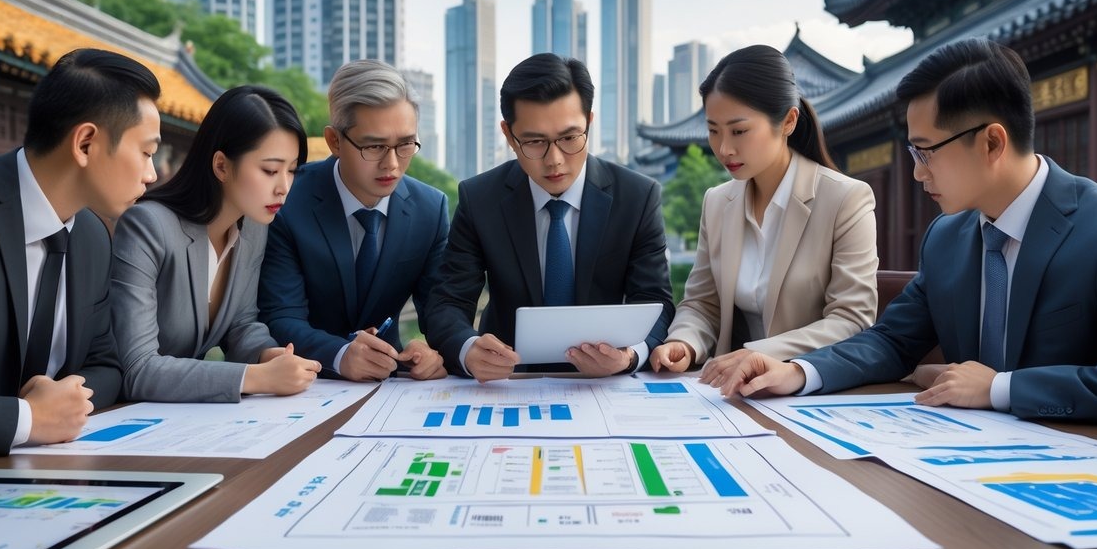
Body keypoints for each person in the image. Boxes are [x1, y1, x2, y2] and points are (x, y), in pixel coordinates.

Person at [710, 38, 1097, 426]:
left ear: (992, 143)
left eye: (924, 152)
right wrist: (799, 372)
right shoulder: (948, 237)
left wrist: (1003, 388)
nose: (917, 174)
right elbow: (892, 341)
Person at [0, 48, 162, 456]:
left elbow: (107, 364)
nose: (152, 174)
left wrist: (67, 401)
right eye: (147, 152)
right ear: (86, 143)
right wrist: (26, 419)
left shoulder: (93, 236)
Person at [425, 53, 675, 382]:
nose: (554, 160)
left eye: (570, 138)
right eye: (534, 141)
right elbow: (449, 301)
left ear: (590, 121)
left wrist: (629, 357)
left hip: (604, 383)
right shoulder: (480, 199)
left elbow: (655, 300)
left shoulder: (637, 197)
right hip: (508, 381)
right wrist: (467, 349)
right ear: (508, 134)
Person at [650, 45, 878, 382]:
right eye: (713, 131)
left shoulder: (845, 198)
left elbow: (852, 319)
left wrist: (763, 352)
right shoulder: (717, 202)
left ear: (787, 121)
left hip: (808, 389)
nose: (724, 148)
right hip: (731, 391)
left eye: (739, 131)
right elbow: (702, 304)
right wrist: (684, 342)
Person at [111, 85, 322, 402]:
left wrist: (267, 355)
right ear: (221, 165)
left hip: (186, 418)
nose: (283, 187)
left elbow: (240, 324)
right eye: (269, 170)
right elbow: (137, 369)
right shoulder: (148, 227)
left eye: (291, 171)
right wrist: (255, 377)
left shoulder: (253, 227)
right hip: (117, 416)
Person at [259, 60, 449, 382]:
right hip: (304, 382)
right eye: (374, 146)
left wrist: (437, 351)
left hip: (389, 381)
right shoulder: (288, 200)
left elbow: (440, 310)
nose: (392, 164)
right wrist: (341, 354)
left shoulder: (430, 209)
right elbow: (281, 316)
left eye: (405, 145)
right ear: (334, 141)